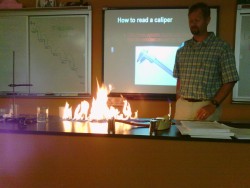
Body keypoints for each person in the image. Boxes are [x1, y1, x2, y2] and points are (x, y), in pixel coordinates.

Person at [173, 2, 239, 121]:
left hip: (207, 107)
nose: (193, 24)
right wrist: (179, 100)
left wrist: (213, 105)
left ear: (207, 20)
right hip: (183, 106)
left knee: (204, 139)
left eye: (197, 20)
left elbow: (230, 80)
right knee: (179, 139)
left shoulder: (222, 47)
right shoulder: (182, 49)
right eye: (191, 21)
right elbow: (179, 78)